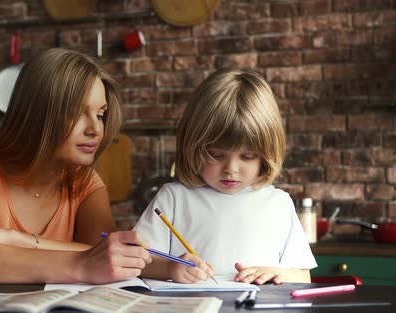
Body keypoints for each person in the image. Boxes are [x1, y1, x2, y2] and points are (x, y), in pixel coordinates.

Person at [0, 48, 151, 284]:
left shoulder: (85, 183)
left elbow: (110, 258)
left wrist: (9, 240)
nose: (95, 129)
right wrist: (81, 265)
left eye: (100, 114)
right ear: (38, 112)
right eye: (76, 112)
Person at [135, 68, 317, 285]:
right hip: (191, 312)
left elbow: (303, 276)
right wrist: (169, 268)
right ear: (192, 147)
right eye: (216, 154)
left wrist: (278, 274)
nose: (231, 168)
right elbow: (138, 262)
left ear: (266, 156)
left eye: (248, 156)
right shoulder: (174, 198)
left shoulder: (278, 204)